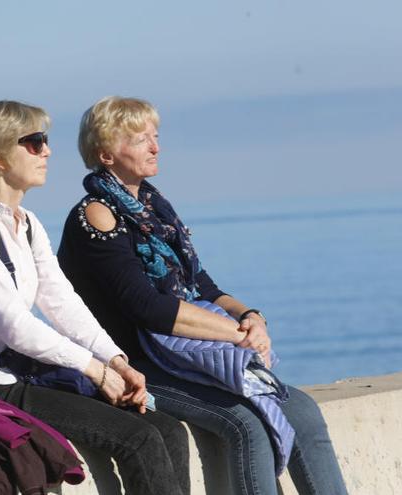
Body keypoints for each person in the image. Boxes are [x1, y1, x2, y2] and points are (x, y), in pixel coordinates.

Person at [57, 96, 348, 495]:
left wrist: (251, 316)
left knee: (303, 412)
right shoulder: (95, 214)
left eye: (154, 136)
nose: (155, 147)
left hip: (182, 355)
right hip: (135, 364)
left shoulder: (154, 210)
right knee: (246, 425)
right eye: (140, 139)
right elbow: (147, 308)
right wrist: (235, 334)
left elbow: (203, 287)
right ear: (106, 153)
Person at [0, 100, 189, 494]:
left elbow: (63, 303)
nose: (47, 151)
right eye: (34, 142)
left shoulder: (27, 224)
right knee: (138, 438)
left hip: (24, 374)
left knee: (167, 428)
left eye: (44, 141)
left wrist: (115, 361)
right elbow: (15, 326)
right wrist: (94, 370)